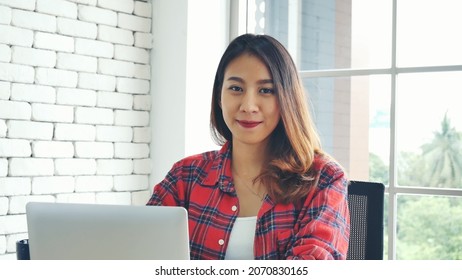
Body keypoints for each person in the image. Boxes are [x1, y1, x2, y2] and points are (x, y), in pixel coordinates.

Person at [147, 33, 350, 260]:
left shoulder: (323, 179)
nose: (248, 105)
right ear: (219, 96)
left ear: (286, 98)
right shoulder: (185, 176)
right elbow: (140, 246)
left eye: (266, 90)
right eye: (236, 88)